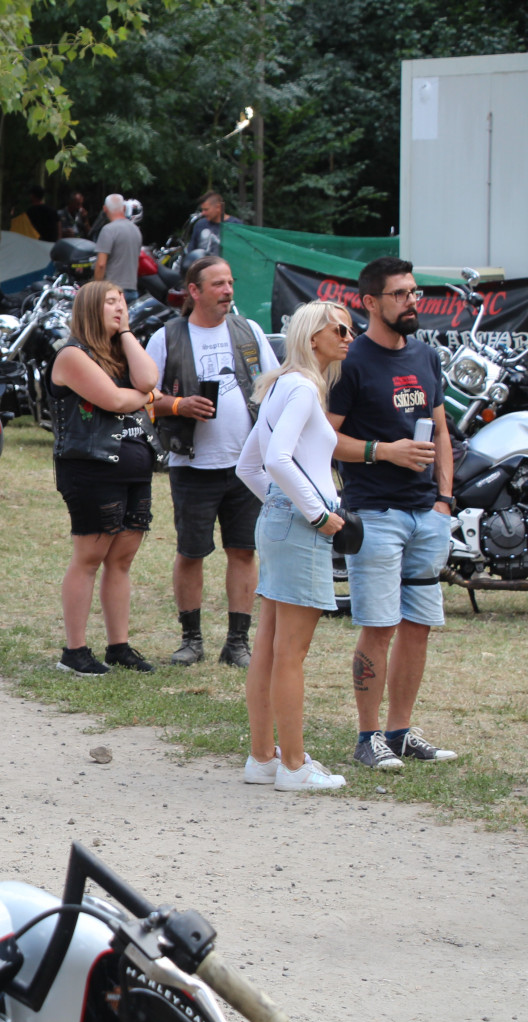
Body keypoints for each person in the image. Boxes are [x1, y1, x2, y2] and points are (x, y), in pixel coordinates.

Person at [327, 256, 458, 770]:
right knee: (379, 626)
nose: (411, 302)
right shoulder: (351, 361)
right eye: (399, 294)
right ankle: (368, 737)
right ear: (370, 302)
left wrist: (444, 501)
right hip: (375, 514)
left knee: (418, 626)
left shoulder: (426, 356)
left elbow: (441, 430)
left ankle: (401, 732)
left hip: (427, 514)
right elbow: (324, 438)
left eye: (413, 292)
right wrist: (384, 451)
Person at [235, 301, 353, 791]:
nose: (348, 337)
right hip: (300, 524)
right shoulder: (302, 387)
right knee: (290, 652)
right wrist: (316, 513)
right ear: (312, 335)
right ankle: (294, 765)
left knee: (269, 646)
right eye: (339, 328)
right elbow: (276, 460)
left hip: (281, 520)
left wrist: (281, 504)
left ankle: (264, 756)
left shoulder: (282, 385)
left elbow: (249, 465)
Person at [148, 256, 277, 668]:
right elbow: (143, 397)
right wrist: (179, 405)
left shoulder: (249, 330)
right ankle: (192, 640)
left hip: (247, 466)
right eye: (218, 284)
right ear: (194, 290)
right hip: (192, 464)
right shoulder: (167, 336)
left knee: (244, 551)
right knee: (191, 552)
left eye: (230, 282)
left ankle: (237, 643)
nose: (228, 290)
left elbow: (275, 385)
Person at [49, 280, 160, 676]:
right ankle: (75, 651)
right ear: (90, 309)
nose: (120, 308)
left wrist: (127, 333)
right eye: (111, 302)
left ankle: (119, 646)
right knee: (90, 557)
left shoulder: (120, 353)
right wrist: (145, 398)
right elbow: (113, 400)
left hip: (133, 469)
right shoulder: (72, 355)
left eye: (122, 302)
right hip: (91, 469)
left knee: (122, 558)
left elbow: (148, 379)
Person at [93, 193, 143, 303]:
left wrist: (96, 290)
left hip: (112, 291)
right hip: (132, 290)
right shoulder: (136, 230)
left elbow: (101, 264)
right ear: (124, 208)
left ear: (105, 209)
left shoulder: (108, 230)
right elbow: (137, 263)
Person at [186, 191, 242, 266]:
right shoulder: (200, 225)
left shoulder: (235, 225)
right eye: (202, 210)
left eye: (206, 210)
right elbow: (192, 251)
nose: (203, 213)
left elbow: (241, 253)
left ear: (218, 207)